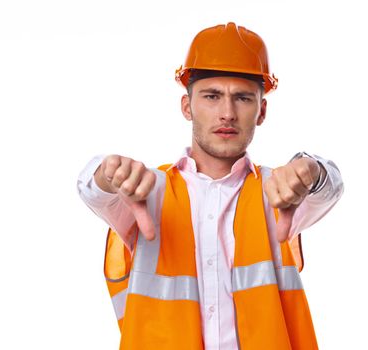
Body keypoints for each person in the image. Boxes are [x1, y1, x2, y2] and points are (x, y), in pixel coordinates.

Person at [77, 22, 344, 350]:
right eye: (212, 96)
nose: (227, 113)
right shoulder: (148, 191)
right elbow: (93, 190)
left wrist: (311, 171)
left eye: (243, 98)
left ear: (261, 111)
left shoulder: (280, 191)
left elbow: (329, 187)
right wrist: (108, 172)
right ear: (187, 106)